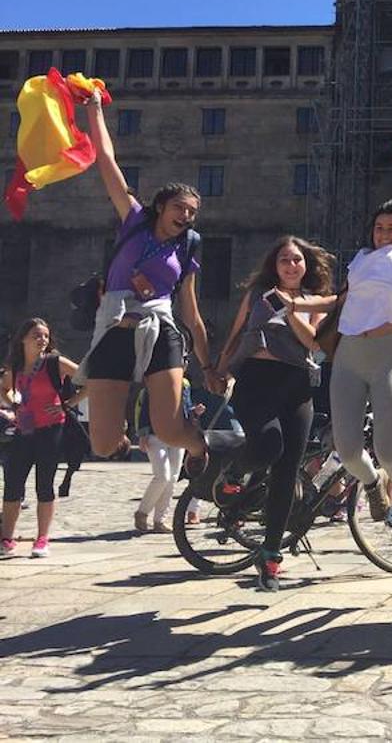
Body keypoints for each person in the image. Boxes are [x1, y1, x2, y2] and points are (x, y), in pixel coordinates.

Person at [293, 138, 392, 545]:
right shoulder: (361, 258)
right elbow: (340, 300)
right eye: (379, 227)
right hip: (349, 354)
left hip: (387, 355)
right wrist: (296, 303)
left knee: (388, 449)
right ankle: (370, 487)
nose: (385, 233)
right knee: (349, 450)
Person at [74, 92, 214, 473]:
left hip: (159, 325)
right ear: (160, 207)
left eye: (192, 212)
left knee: (170, 429)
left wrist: (208, 364)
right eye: (179, 208)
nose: (186, 215)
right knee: (101, 444)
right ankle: (122, 438)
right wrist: (94, 109)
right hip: (115, 324)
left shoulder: (188, 247)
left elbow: (190, 309)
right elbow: (106, 161)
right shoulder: (133, 220)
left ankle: (200, 447)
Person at [213, 235, 334, 591]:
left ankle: (270, 558)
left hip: (296, 385)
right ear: (274, 265)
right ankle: (234, 472)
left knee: (286, 473)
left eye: (297, 259)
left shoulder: (314, 302)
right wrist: (219, 370)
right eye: (284, 259)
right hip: (255, 378)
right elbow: (236, 335)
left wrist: (289, 308)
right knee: (268, 445)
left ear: (306, 265)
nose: (291, 265)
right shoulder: (257, 297)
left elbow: (312, 341)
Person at [1, 319, 79, 557]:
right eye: (37, 335)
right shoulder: (15, 365)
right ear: (23, 339)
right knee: (13, 484)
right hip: (23, 430)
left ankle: (42, 539)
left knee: (44, 484)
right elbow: (4, 388)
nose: (42, 340)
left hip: (51, 429)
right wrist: (11, 403)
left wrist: (67, 405)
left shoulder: (55, 362)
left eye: (45, 336)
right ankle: (6, 538)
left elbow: (90, 380)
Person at [133, 366, 204, 533]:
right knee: (162, 476)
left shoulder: (185, 384)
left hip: (178, 435)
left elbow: (185, 409)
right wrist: (143, 434)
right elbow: (145, 409)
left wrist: (194, 412)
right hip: (155, 435)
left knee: (172, 478)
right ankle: (142, 512)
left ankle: (160, 520)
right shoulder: (156, 381)